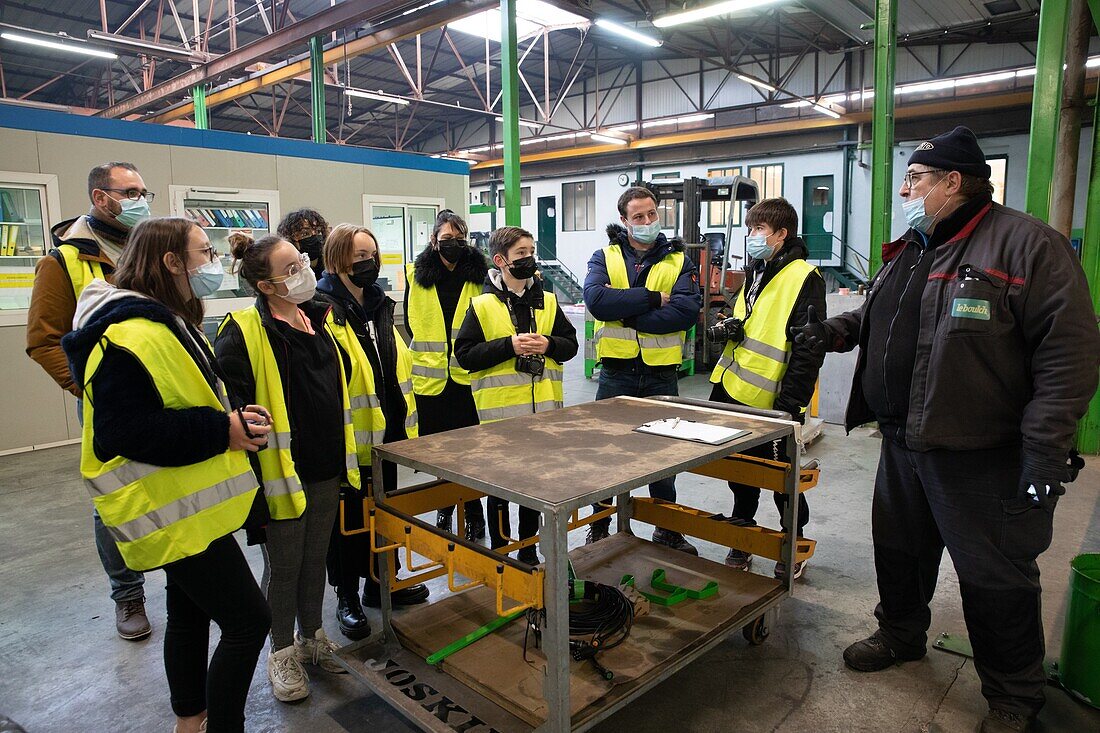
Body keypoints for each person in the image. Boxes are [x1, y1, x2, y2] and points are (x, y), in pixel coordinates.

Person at [794, 126, 1100, 733]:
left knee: (996, 575)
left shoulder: (1027, 246)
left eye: (915, 180)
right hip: (903, 441)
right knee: (900, 549)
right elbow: (889, 313)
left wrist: (1044, 450)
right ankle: (901, 634)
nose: (906, 190)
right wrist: (840, 330)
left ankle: (1014, 696)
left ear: (953, 182)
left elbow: (1068, 357)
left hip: (982, 453)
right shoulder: (913, 245)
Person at [61, 217, 271, 733]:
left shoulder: (164, 321)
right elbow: (122, 431)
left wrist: (229, 423)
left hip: (189, 505)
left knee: (189, 613)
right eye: (203, 253)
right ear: (170, 262)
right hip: (172, 510)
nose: (213, 263)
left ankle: (189, 719)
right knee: (248, 622)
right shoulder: (129, 334)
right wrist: (221, 429)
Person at [215, 233, 360, 703]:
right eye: (291, 267)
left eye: (301, 261)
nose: (304, 269)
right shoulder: (243, 329)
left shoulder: (319, 316)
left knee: (316, 556)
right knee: (283, 565)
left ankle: (312, 637)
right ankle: (281, 652)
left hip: (325, 462)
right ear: (265, 285)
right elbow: (231, 402)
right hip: (279, 469)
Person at [25, 161, 153, 640]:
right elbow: (43, 340)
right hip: (107, 401)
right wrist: (91, 386)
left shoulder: (150, 248)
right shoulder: (63, 261)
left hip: (165, 392)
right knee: (113, 497)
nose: (142, 200)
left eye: (145, 191)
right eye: (132, 191)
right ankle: (127, 594)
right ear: (102, 198)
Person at [316, 223, 431, 639]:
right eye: (359, 256)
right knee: (346, 525)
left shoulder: (381, 304)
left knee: (386, 515)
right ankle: (346, 594)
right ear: (337, 260)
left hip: (389, 433)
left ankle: (381, 582)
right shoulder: (323, 308)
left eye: (372, 254)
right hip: (351, 439)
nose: (369, 263)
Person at [708, 198, 825, 581]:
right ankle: (742, 535)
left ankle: (794, 542)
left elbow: (808, 349)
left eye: (758, 230)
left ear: (781, 234)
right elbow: (753, 320)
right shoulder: (757, 269)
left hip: (774, 400)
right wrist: (731, 324)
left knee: (783, 481)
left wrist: (791, 404)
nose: (752, 237)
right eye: (750, 229)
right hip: (734, 389)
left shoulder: (805, 277)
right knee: (740, 472)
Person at [582, 186, 703, 553]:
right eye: (639, 216)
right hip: (616, 373)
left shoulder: (679, 260)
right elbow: (596, 301)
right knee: (606, 453)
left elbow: (685, 311)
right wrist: (651, 301)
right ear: (624, 220)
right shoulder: (604, 256)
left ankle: (666, 527)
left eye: (652, 214)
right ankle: (599, 524)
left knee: (663, 455)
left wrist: (628, 314)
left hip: (661, 374)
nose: (648, 221)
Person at [454, 226, 579, 564]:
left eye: (530, 251)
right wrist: (508, 346)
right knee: (499, 491)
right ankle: (501, 550)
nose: (529, 258)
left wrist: (549, 344)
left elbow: (570, 346)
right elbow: (465, 355)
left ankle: (527, 551)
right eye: (520, 253)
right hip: (501, 421)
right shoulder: (481, 306)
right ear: (501, 261)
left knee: (534, 490)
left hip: (543, 420)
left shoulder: (548, 301)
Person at [404, 210, 488, 541]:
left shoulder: (479, 276)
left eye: (458, 239)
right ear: (433, 240)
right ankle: (445, 507)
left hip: (467, 378)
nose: (452, 244)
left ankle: (474, 513)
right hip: (431, 380)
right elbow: (412, 322)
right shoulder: (417, 275)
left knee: (471, 452)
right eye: (446, 239)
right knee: (442, 454)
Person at [277, 208, 329, 278]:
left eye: (318, 231)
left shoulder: (331, 266)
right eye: (305, 234)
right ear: (290, 239)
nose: (315, 236)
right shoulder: (288, 272)